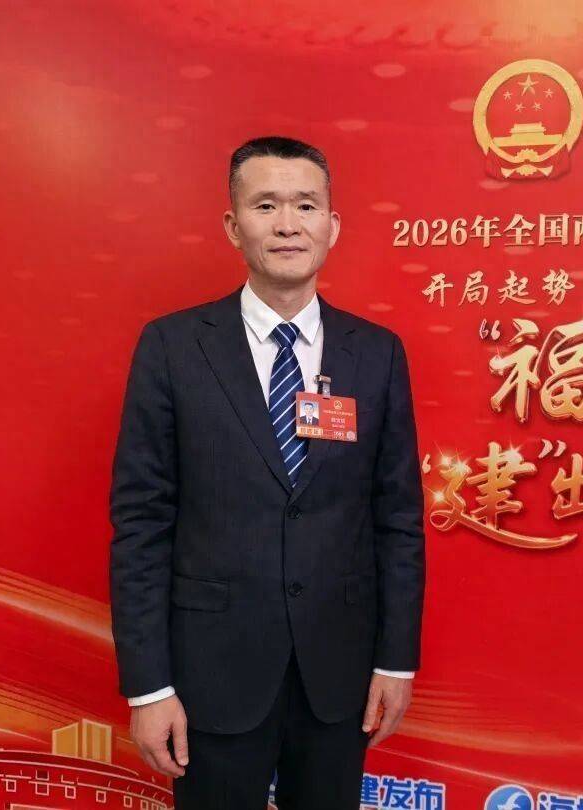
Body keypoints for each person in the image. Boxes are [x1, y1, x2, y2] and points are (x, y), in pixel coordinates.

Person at [108, 136, 426, 809]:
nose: (287, 224)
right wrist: (148, 687)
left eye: (306, 205)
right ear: (233, 225)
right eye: (265, 205)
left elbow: (397, 519)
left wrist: (395, 660)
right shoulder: (172, 347)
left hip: (337, 676)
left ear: (332, 225)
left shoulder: (376, 355)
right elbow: (141, 524)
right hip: (212, 674)